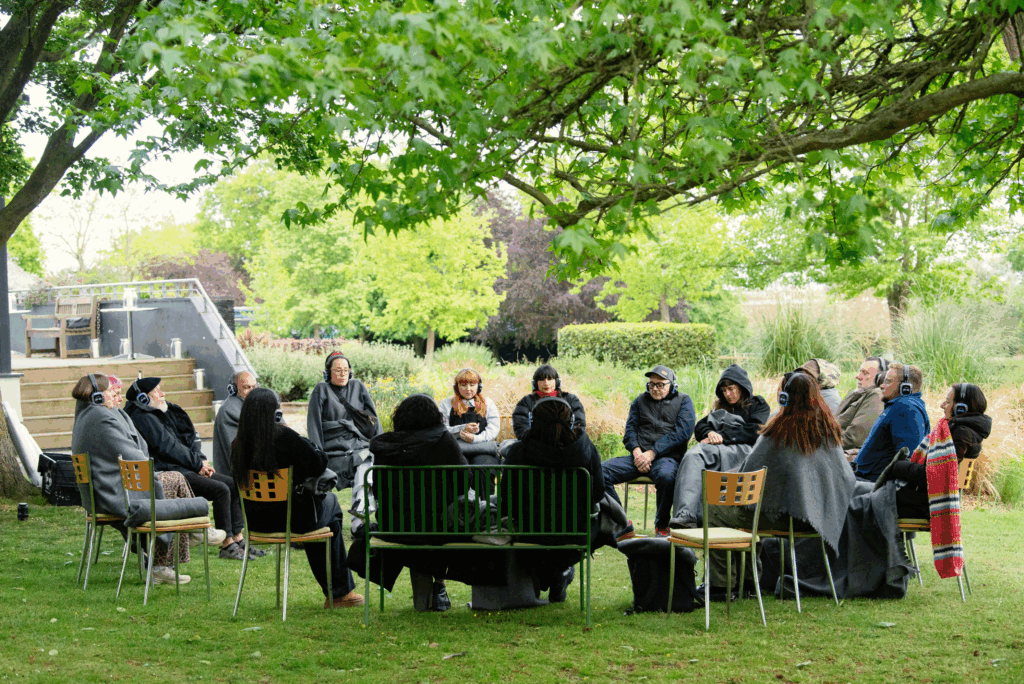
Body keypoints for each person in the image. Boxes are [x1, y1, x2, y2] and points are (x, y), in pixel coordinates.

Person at [699, 371, 857, 596]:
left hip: (786, 520)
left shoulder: (779, 429)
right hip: (816, 519)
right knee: (754, 507)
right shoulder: (828, 429)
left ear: (785, 397)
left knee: (719, 506)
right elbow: (846, 478)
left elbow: (747, 475)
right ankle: (747, 582)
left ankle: (722, 585)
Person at [230, 388, 364, 609]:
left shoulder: (238, 444)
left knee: (323, 519)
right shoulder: (284, 437)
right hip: (294, 519)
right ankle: (339, 592)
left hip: (256, 522)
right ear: (275, 413)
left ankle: (338, 592)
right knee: (330, 506)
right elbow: (318, 462)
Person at [71, 373, 206, 585]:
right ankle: (167, 559)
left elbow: (135, 450)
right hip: (113, 494)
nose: (115, 396)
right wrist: (154, 476)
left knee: (170, 479)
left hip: (103, 491)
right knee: (172, 481)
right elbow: (132, 455)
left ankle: (187, 537)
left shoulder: (87, 415)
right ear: (96, 396)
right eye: (110, 392)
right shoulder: (101, 418)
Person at [125, 376, 255, 560]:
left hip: (187, 466)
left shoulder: (161, 412)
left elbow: (188, 438)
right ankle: (227, 545)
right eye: (157, 391)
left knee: (233, 485)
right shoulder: (143, 417)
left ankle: (237, 537)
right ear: (143, 399)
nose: (163, 394)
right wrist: (197, 464)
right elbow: (168, 446)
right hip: (171, 471)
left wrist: (201, 461)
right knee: (221, 490)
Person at [366, 394, 469, 611]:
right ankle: (439, 585)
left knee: (419, 518)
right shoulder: (443, 440)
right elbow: (463, 479)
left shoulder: (386, 446)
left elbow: (378, 489)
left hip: (393, 525)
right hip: (436, 525)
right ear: (434, 416)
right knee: (438, 516)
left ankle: (430, 593)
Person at [502, 396, 605, 602]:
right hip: (576, 533)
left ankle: (546, 576)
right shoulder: (585, 449)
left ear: (533, 420)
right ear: (571, 420)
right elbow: (598, 492)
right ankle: (557, 575)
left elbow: (507, 499)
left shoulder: (518, 452)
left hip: (528, 531)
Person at [670, 364, 770, 529]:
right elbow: (701, 425)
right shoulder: (720, 406)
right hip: (716, 450)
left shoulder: (758, 405)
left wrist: (723, 436)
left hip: (744, 451)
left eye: (731, 389)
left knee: (698, 454)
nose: (727, 394)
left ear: (742, 386)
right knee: (693, 455)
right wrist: (709, 433)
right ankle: (686, 515)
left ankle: (703, 518)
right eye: (724, 390)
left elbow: (755, 431)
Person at [601, 365, 695, 536]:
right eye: (652, 384)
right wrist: (637, 453)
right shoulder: (639, 401)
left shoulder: (684, 401)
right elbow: (629, 431)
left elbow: (682, 433)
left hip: (666, 458)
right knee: (599, 472)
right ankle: (622, 523)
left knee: (667, 476)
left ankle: (661, 525)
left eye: (661, 385)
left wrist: (652, 453)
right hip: (637, 457)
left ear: (672, 385)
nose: (655, 388)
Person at [889, 383, 991, 519]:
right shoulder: (963, 431)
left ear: (961, 409)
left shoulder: (960, 434)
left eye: (948, 402)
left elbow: (934, 476)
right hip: (929, 499)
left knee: (864, 500)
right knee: (866, 493)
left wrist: (898, 466)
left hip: (930, 504)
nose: (942, 405)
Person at [307, 351, 382, 533]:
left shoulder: (358, 387)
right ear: (328, 373)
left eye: (346, 370)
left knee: (368, 461)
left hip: (358, 448)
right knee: (364, 463)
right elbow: (314, 425)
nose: (343, 374)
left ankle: (358, 522)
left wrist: (381, 445)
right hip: (334, 452)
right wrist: (318, 456)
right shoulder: (321, 389)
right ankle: (353, 522)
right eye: (338, 370)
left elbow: (374, 420)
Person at [852, 363, 930, 482]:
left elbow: (906, 458)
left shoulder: (906, 409)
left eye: (888, 381)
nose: (882, 386)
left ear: (905, 387)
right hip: (863, 477)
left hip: (870, 484)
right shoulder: (899, 406)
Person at [438, 367, 501, 465]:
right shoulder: (446, 404)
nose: (468, 389)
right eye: (463, 385)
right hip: (455, 450)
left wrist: (476, 438)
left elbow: (493, 428)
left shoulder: (488, 403)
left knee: (482, 471)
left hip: (483, 449)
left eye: (472, 385)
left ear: (479, 386)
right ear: (456, 387)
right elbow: (441, 429)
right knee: (459, 471)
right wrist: (462, 429)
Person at [511, 365, 586, 440]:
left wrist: (568, 439)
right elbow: (521, 427)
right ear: (535, 383)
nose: (546, 383)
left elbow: (579, 423)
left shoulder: (570, 399)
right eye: (542, 379)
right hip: (535, 444)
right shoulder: (526, 401)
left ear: (557, 382)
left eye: (550, 379)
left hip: (567, 443)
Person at [212, 371, 258, 476]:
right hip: (237, 477)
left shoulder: (251, 404)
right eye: (247, 387)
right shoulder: (230, 410)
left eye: (254, 387)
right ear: (233, 390)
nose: (252, 391)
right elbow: (240, 453)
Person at [836, 357, 887, 452]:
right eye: (860, 372)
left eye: (865, 373)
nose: (858, 376)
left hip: (841, 453)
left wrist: (819, 443)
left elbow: (853, 438)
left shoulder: (876, 396)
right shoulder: (856, 393)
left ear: (880, 378)